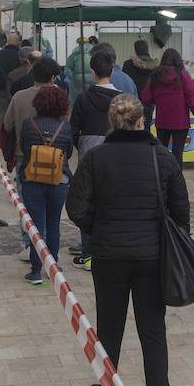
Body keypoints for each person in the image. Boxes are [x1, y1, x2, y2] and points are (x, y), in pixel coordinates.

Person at [66, 94, 189, 386]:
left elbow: (76, 206)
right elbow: (181, 211)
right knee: (152, 326)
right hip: (152, 255)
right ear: (142, 121)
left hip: (109, 254)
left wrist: (98, 227)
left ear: (111, 122)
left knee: (110, 323)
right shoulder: (162, 158)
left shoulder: (95, 158)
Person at [17, 84, 75, 286]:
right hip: (59, 181)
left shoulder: (28, 124)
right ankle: (53, 265)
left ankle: (36, 270)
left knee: (35, 226)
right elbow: (68, 153)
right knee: (53, 223)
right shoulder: (66, 127)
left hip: (32, 180)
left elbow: (24, 148)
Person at [70, 51, 123, 269]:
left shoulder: (83, 98)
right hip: (117, 151)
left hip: (88, 151)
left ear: (93, 72)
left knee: (88, 201)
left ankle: (89, 252)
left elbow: (73, 128)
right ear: (112, 71)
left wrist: (81, 145)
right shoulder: (121, 99)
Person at [140, 48, 194, 164]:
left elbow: (146, 97)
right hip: (180, 123)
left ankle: (162, 179)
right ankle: (176, 179)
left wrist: (159, 99)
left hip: (162, 121)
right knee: (177, 154)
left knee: (162, 153)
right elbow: (192, 101)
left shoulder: (156, 75)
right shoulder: (183, 76)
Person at [0, 30, 24, 122]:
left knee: (2, 110)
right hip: (18, 88)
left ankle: (1, 132)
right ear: (18, 42)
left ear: (6, 41)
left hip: (2, 87)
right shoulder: (20, 55)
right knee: (17, 111)